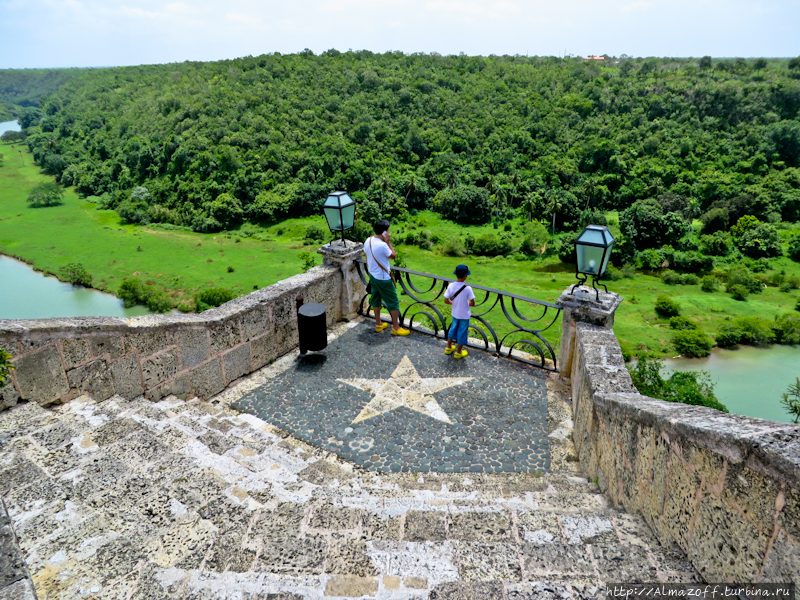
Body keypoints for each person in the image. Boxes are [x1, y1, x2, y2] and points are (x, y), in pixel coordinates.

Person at [364, 219, 410, 336]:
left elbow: (367, 257)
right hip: (383, 278)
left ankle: (379, 324)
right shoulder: (383, 245)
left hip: (373, 276)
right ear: (385, 232)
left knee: (376, 299)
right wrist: (388, 241)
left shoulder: (368, 240)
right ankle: (396, 327)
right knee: (393, 302)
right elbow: (393, 256)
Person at [444, 264, 476, 359]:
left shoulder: (451, 285)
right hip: (464, 315)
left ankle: (448, 347)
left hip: (455, 313)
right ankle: (458, 352)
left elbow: (446, 300)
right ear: (466, 276)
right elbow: (472, 303)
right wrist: (466, 304)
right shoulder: (468, 288)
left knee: (452, 329)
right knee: (462, 332)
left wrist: (452, 302)